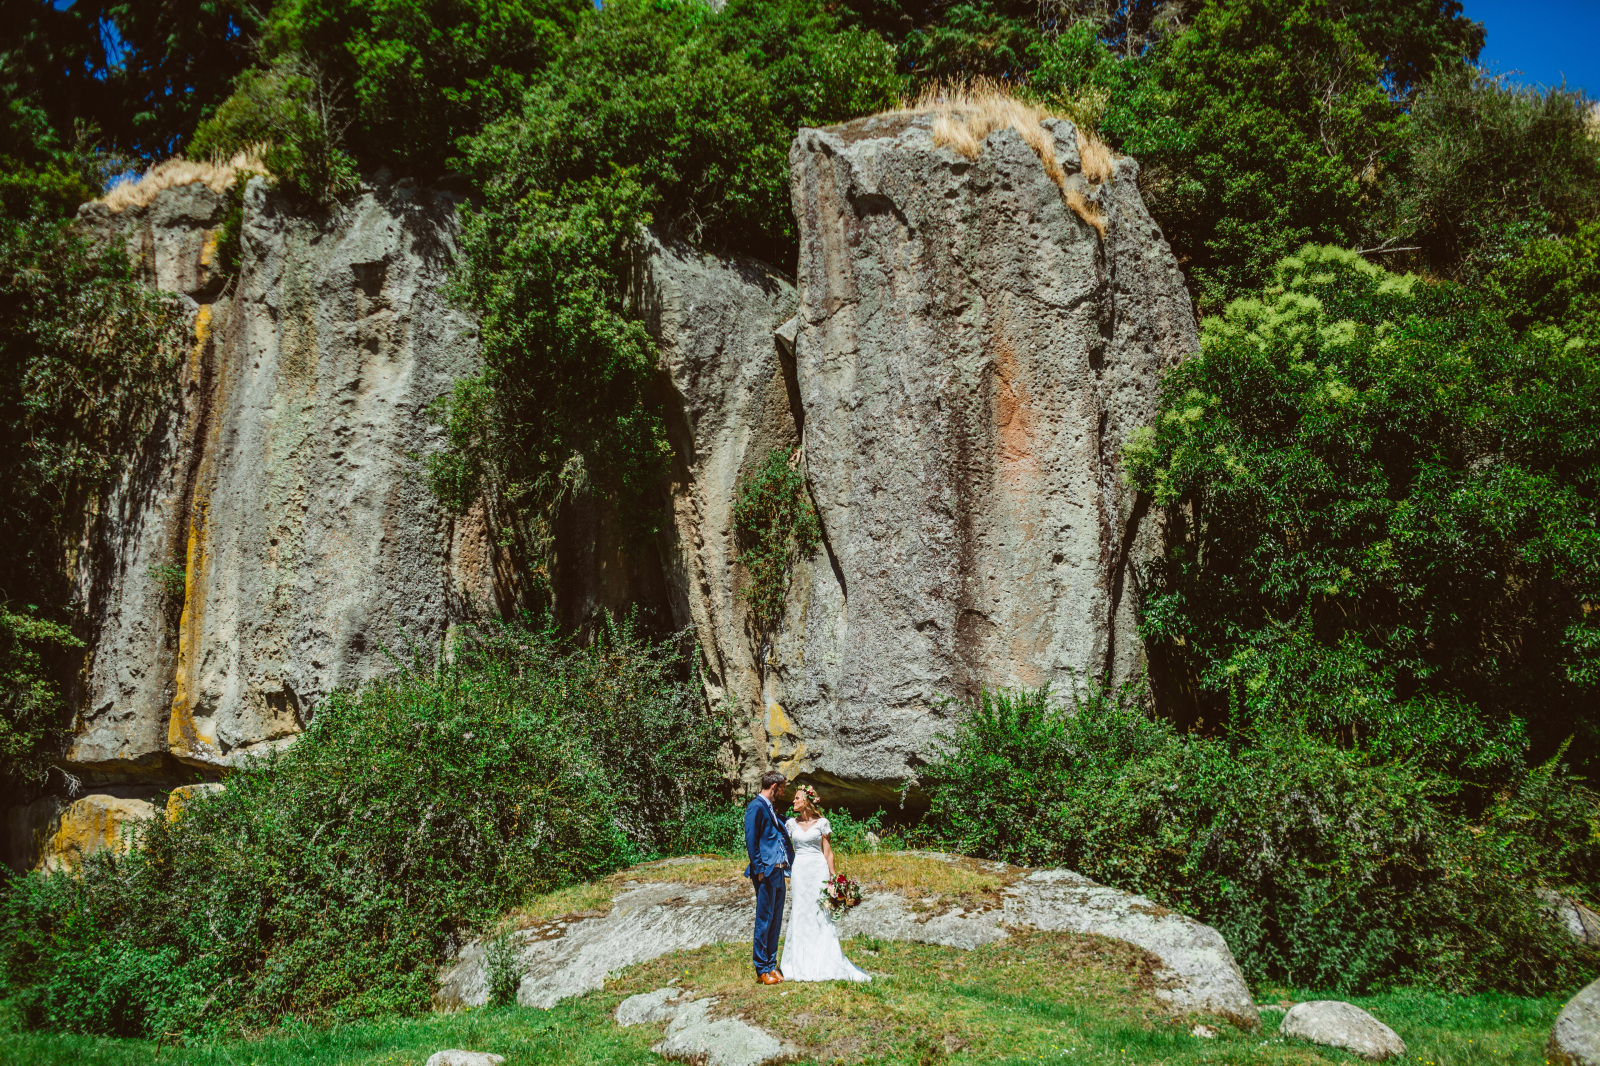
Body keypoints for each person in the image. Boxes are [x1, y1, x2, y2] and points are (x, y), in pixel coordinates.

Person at [778, 783, 870, 982]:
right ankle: (797, 963)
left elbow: (827, 852)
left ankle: (823, 960)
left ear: (806, 801)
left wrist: (834, 877)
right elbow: (784, 847)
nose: (793, 801)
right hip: (800, 871)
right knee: (800, 911)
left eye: (797, 798)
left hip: (818, 870)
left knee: (820, 912)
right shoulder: (790, 824)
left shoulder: (822, 823)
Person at [744, 770, 795, 984]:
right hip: (766, 871)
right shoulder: (755, 807)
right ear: (774, 787)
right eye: (782, 789)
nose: (783, 793)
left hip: (779, 870)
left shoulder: (771, 808)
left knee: (775, 919)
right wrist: (759, 869)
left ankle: (771, 965)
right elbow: (751, 839)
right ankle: (761, 969)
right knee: (764, 920)